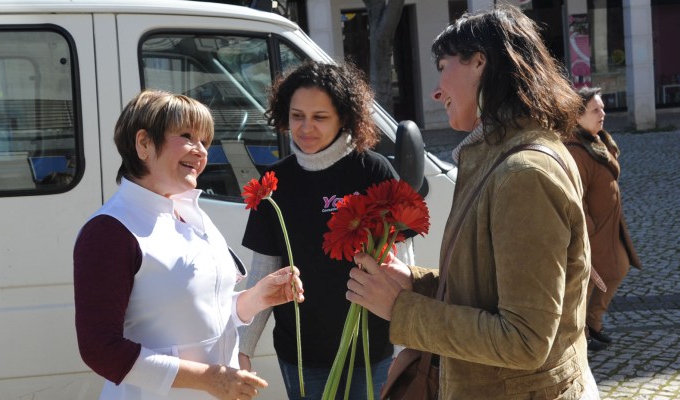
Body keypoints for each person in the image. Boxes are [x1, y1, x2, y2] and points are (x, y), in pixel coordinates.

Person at [346, 5, 601, 399]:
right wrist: (414, 284)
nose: (436, 90)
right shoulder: (495, 157)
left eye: (443, 67)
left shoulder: (523, 173)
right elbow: (487, 291)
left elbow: (525, 340)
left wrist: (402, 308)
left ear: (479, 62)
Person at [73, 89, 304, 400]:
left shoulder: (191, 214)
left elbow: (205, 313)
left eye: (205, 142)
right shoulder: (109, 231)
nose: (201, 151)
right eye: (187, 136)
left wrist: (256, 298)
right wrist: (210, 379)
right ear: (143, 143)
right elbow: (99, 348)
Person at [238, 61, 412, 399]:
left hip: (370, 352)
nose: (306, 128)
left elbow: (403, 265)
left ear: (344, 117)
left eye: (320, 117)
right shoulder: (273, 182)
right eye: (297, 115)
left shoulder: (374, 171)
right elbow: (262, 274)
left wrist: (409, 344)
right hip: (302, 358)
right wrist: (243, 348)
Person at [566, 86, 642, 352]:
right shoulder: (576, 150)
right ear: (577, 117)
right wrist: (588, 228)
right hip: (593, 231)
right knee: (586, 283)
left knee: (617, 269)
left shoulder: (596, 140)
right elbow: (576, 195)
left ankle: (593, 323)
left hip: (610, 225)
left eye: (603, 108)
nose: (603, 113)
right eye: (595, 110)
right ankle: (582, 334)